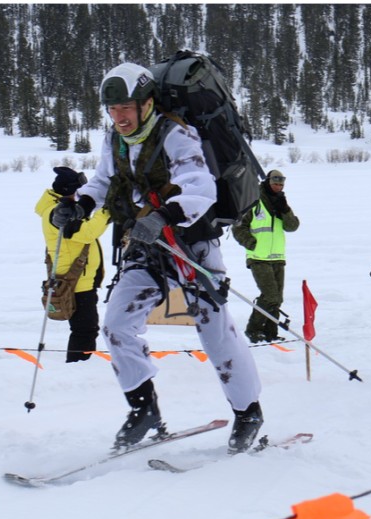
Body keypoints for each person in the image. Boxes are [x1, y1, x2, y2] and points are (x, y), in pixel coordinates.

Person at [74, 62, 264, 454]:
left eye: (126, 107)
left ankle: (248, 412)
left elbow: (200, 187)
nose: (119, 117)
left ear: (146, 103)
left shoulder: (176, 134)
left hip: (191, 245)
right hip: (145, 246)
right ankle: (144, 408)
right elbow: (105, 181)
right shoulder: (116, 140)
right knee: (116, 326)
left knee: (214, 331)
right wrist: (78, 205)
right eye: (112, 110)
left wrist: (165, 215)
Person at [34, 166, 109, 363]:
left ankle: (78, 366)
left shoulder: (56, 208)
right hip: (76, 282)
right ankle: (78, 368)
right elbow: (88, 232)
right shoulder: (58, 214)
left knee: (83, 329)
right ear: (70, 192)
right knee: (85, 330)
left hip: (77, 279)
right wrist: (108, 210)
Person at [232, 169, 300, 343]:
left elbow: (292, 227)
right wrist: (251, 243)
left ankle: (270, 332)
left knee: (277, 298)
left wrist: (284, 210)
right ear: (268, 183)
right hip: (258, 257)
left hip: (277, 257)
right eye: (275, 183)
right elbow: (238, 227)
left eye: (281, 184)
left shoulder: (281, 202)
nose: (278, 187)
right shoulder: (254, 201)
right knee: (270, 295)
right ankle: (253, 329)